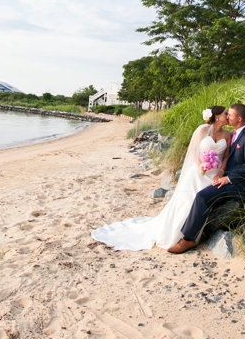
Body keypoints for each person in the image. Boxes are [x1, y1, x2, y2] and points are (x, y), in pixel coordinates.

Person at [91, 106, 231, 250]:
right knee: (187, 200)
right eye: (225, 113)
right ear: (216, 116)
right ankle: (178, 235)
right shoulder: (202, 130)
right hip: (198, 172)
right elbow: (192, 150)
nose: (227, 116)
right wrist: (201, 165)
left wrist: (220, 173)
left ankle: (190, 236)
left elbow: (225, 157)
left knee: (201, 199)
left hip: (214, 176)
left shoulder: (227, 135)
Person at [167, 103, 245, 254]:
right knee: (201, 194)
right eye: (226, 114)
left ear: (240, 118)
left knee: (202, 196)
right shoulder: (233, 134)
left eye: (231, 115)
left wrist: (227, 178)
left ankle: (188, 240)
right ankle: (189, 232)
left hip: (238, 184)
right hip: (220, 177)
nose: (228, 116)